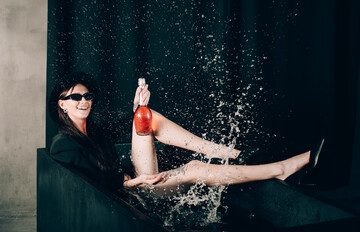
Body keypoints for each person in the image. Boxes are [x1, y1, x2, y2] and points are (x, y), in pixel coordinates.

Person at [49, 73, 323, 193]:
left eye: (87, 96)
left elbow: (127, 126)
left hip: (138, 177)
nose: (83, 101)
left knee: (145, 115)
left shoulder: (94, 131)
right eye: (74, 97)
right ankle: (281, 168)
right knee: (193, 168)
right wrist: (129, 183)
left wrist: (136, 107)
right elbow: (89, 183)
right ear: (62, 103)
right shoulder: (63, 143)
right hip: (129, 192)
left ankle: (227, 153)